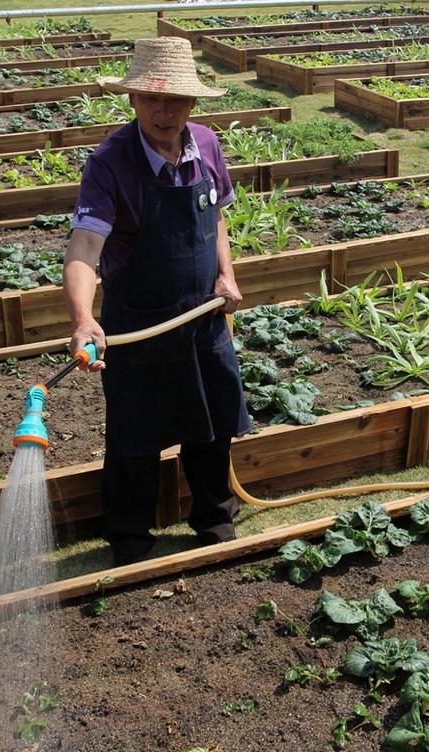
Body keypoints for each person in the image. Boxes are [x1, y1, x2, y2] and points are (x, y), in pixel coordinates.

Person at [64, 37, 251, 566]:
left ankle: (214, 518)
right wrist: (84, 318)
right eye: (151, 99)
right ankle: (129, 537)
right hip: (139, 321)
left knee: (213, 424)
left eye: (175, 101)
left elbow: (215, 218)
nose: (163, 111)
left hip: (203, 317)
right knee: (135, 435)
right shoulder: (111, 164)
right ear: (133, 101)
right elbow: (84, 246)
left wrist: (226, 276)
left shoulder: (208, 146)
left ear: (193, 104)